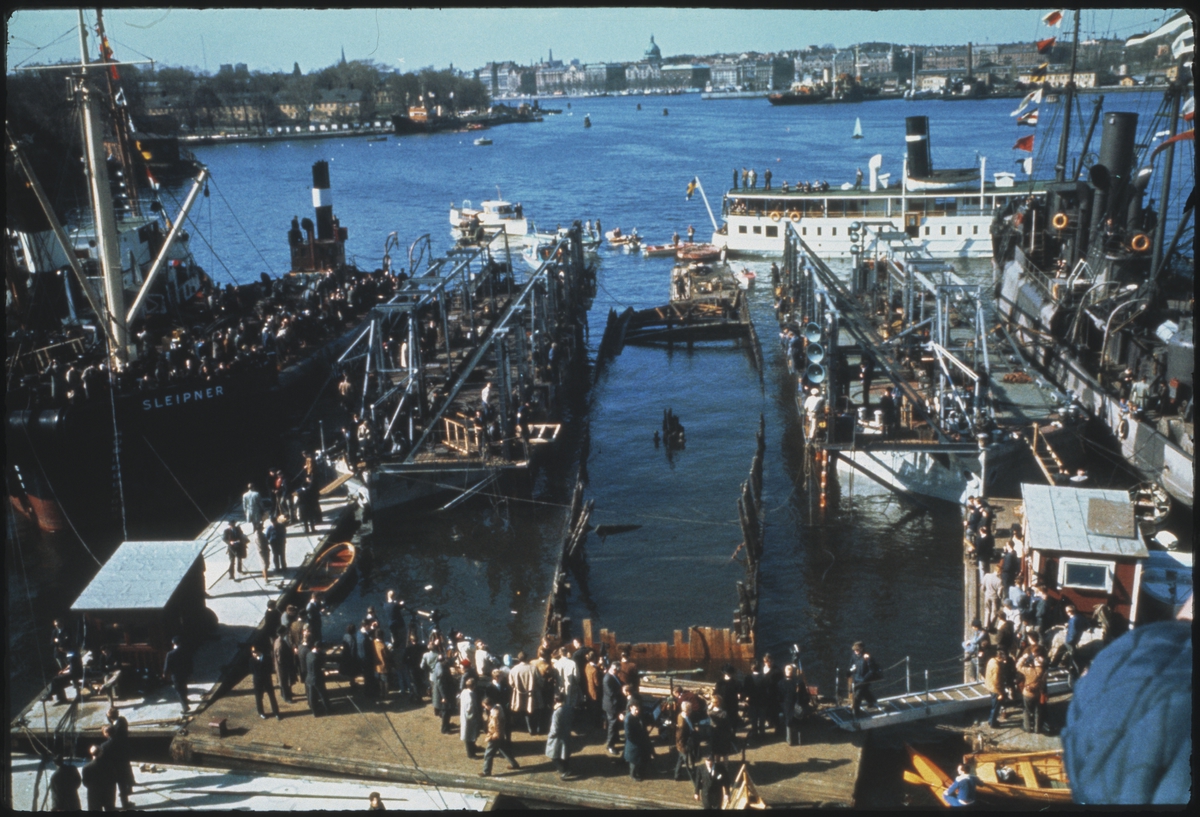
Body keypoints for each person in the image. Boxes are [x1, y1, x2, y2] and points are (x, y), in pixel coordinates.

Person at [1016, 633, 1049, 734]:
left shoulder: (1030, 669)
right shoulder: (1043, 671)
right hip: (1038, 691)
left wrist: (1024, 658)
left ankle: (1027, 727)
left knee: (1027, 710)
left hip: (1028, 692)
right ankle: (1037, 728)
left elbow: (1018, 666)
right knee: (1038, 710)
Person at [103, 707, 135, 808]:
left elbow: (115, 732)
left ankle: (129, 786)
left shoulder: (121, 723)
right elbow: (111, 722)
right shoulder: (115, 722)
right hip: (121, 752)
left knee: (126, 773)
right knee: (125, 774)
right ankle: (128, 790)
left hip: (123, 751)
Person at [480, 703, 520, 777]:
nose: (484, 707)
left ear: (488, 705)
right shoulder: (499, 708)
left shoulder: (495, 714)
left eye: (485, 706)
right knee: (504, 751)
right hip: (499, 735)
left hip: (494, 736)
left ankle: (486, 771)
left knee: (488, 754)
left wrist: (494, 736)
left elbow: (496, 726)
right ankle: (514, 764)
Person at [545, 693, 575, 780]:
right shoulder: (569, 708)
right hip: (566, 734)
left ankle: (563, 770)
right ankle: (567, 768)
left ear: (555, 700)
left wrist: (550, 735)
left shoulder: (557, 713)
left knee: (554, 756)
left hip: (557, 738)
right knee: (565, 754)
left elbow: (555, 729)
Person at [623, 700, 654, 781]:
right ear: (631, 708)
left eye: (638, 709)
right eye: (635, 709)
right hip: (634, 744)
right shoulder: (628, 720)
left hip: (640, 741)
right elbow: (629, 735)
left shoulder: (638, 716)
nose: (637, 711)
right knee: (634, 761)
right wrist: (638, 740)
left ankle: (640, 772)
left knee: (640, 759)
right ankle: (633, 774)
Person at [849, 641, 881, 716]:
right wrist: (852, 670)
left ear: (861, 649)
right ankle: (871, 701)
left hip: (865, 679)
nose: (856, 651)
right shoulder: (854, 656)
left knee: (858, 694)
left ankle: (855, 712)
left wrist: (864, 679)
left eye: (857, 649)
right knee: (863, 691)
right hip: (856, 678)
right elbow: (851, 666)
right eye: (855, 650)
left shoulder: (867, 657)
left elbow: (872, 670)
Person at [250, 644, 281, 720]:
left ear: (259, 652)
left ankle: (276, 712)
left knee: (272, 696)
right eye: (253, 653)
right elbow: (252, 670)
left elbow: (270, 668)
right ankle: (261, 712)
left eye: (255, 652)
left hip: (267, 680)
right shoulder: (251, 660)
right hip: (258, 681)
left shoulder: (267, 658)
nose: (254, 654)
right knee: (259, 697)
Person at [778, 664, 807, 746]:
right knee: (796, 721)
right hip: (795, 704)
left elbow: (779, 696)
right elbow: (804, 695)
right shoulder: (798, 683)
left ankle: (791, 739)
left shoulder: (782, 683)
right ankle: (797, 739)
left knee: (790, 722)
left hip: (789, 705)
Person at [81, 745, 115, 812]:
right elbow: (114, 778)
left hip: (94, 793)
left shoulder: (87, 767)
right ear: (101, 753)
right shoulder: (109, 765)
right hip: (108, 792)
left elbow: (85, 782)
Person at [163, 636, 192, 714]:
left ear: (174, 644)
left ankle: (185, 707)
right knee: (184, 687)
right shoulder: (185, 651)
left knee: (179, 691)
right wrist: (190, 671)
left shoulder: (170, 654)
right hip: (185, 673)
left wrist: (165, 674)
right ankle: (186, 699)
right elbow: (190, 662)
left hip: (176, 675)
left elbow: (167, 666)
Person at [602, 661, 626, 754]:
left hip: (615, 704)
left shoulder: (613, 676)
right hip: (611, 705)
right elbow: (611, 693)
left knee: (615, 723)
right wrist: (622, 692)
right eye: (617, 670)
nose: (617, 671)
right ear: (613, 669)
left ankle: (616, 738)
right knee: (612, 725)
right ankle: (610, 745)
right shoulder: (607, 679)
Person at [305, 643, 332, 717]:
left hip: (309, 678)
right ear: (319, 648)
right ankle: (328, 709)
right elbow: (318, 669)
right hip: (317, 679)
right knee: (323, 695)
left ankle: (315, 712)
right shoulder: (316, 658)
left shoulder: (309, 654)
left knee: (312, 697)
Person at [460, 677, 482, 758]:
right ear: (474, 686)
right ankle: (471, 754)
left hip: (465, 717)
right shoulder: (471, 695)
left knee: (470, 735)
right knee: (469, 736)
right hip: (470, 719)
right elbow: (471, 708)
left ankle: (473, 748)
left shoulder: (464, 692)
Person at [981, 563, 1003, 628]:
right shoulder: (999, 581)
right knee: (994, 612)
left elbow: (982, 587)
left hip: (987, 595)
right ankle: (991, 625)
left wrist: (985, 592)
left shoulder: (987, 575)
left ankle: (986, 625)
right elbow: (999, 593)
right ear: (999, 571)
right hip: (994, 597)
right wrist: (1000, 597)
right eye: (1001, 572)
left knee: (987, 610)